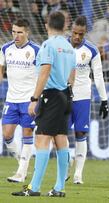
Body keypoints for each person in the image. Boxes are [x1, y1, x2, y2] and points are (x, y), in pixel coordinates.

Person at [12, 11, 76, 197]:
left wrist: (34, 99)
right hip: (65, 95)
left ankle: (34, 187)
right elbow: (73, 75)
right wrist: (67, 93)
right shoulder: (69, 47)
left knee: (42, 138)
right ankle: (59, 188)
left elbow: (44, 72)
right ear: (64, 26)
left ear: (47, 25)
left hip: (51, 96)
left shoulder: (48, 45)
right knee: (60, 139)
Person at [68, 15, 108, 185]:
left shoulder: (92, 51)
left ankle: (78, 174)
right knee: (59, 135)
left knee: (80, 133)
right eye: (75, 33)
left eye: (81, 34)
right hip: (62, 96)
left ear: (85, 33)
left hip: (83, 96)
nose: (77, 37)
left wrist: (104, 100)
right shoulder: (61, 46)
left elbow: (98, 76)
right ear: (71, 30)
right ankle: (66, 163)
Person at [0, 19, 39, 183]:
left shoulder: (36, 50)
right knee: (7, 135)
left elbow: (43, 75)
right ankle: (22, 164)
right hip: (11, 99)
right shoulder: (5, 48)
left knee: (27, 133)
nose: (16, 35)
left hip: (28, 99)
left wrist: (36, 99)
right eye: (14, 32)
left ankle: (21, 173)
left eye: (20, 32)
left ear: (27, 32)